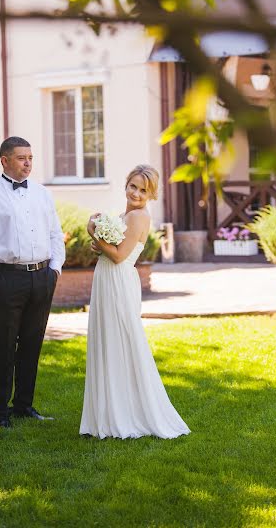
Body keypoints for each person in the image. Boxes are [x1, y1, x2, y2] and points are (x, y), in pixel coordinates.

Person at [0, 136, 65, 428]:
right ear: (5, 161)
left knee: (32, 345)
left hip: (42, 278)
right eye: (21, 158)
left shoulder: (43, 194)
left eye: (30, 157)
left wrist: (55, 269)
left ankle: (24, 406)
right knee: (5, 347)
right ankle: (0, 411)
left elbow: (56, 235)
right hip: (6, 279)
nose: (28, 163)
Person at [80, 164, 190, 439]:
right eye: (133, 186)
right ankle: (109, 413)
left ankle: (126, 414)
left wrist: (93, 231)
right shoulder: (126, 215)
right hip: (109, 279)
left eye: (143, 190)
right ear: (125, 185)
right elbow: (113, 251)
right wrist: (100, 246)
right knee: (109, 341)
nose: (137, 193)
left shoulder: (139, 216)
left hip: (118, 282)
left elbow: (118, 256)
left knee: (121, 342)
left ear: (151, 194)